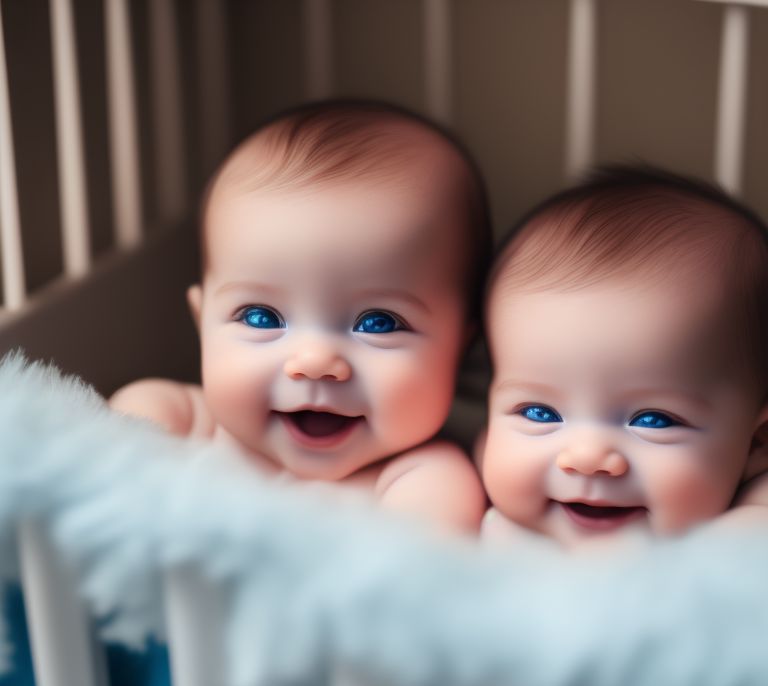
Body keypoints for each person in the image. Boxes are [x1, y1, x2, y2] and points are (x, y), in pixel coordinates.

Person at [111, 99, 491, 534]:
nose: (314, 362)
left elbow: (415, 561)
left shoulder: (425, 479)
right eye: (260, 317)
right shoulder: (187, 421)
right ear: (203, 325)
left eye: (378, 323)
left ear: (460, 349)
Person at [481, 165, 768, 549]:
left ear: (757, 443)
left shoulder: (734, 547)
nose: (586, 457)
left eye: (653, 420)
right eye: (538, 413)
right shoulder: (458, 517)